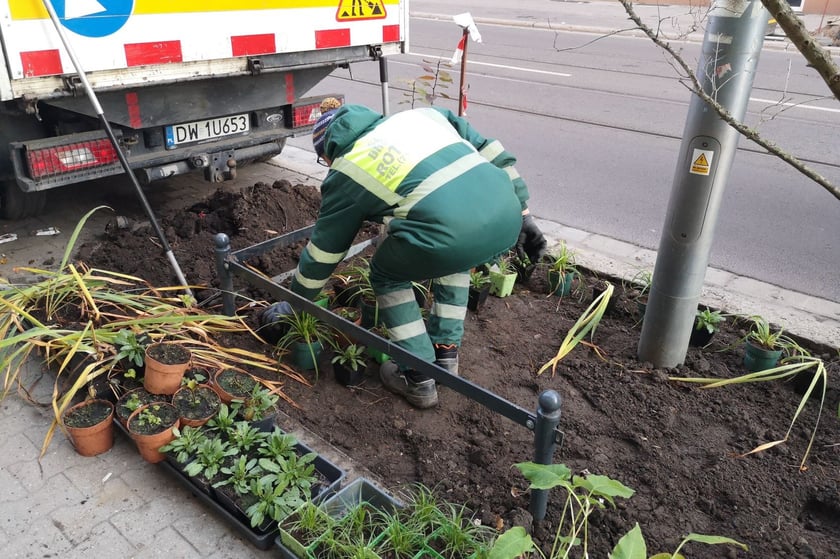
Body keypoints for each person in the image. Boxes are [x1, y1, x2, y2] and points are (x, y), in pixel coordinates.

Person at [286, 103, 546, 408]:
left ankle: (417, 375)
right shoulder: (421, 116)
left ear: (328, 151)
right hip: (506, 216)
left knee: (386, 273)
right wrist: (525, 213)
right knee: (455, 255)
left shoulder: (347, 167)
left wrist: (295, 301)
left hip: (451, 232)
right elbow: (492, 150)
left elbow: (325, 253)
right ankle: (446, 355)